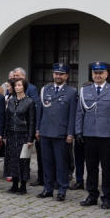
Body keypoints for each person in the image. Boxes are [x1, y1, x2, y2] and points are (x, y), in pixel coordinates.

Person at [75, 61, 110, 209]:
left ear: (106, 74)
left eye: (100, 73)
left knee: (107, 167)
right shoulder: (85, 90)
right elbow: (80, 113)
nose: (97, 75)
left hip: (107, 136)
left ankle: (107, 197)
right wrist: (78, 131)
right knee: (91, 167)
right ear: (92, 74)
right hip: (89, 134)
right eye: (95, 73)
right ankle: (92, 195)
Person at [35, 63, 78, 201]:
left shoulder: (71, 92)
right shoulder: (45, 90)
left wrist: (70, 133)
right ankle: (47, 189)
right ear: (53, 74)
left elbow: (72, 115)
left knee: (61, 164)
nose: (58, 76)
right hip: (45, 131)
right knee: (46, 162)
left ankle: (62, 189)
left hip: (61, 133)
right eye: (56, 73)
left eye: (61, 74)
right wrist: (37, 129)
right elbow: (39, 112)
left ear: (66, 76)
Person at [2, 78, 36, 195]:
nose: (17, 87)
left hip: (23, 134)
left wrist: (30, 138)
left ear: (24, 87)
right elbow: (7, 118)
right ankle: (14, 184)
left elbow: (32, 121)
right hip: (11, 134)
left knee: (23, 160)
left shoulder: (29, 102)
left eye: (19, 85)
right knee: (12, 160)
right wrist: (5, 135)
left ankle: (23, 186)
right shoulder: (11, 101)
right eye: (15, 86)